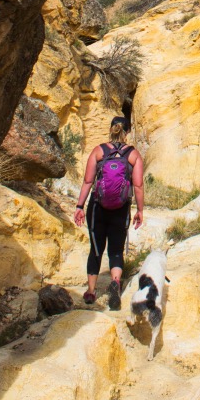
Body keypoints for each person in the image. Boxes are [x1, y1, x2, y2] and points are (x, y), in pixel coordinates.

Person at [73, 115, 144, 309]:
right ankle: (115, 282)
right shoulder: (133, 154)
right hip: (121, 209)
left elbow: (88, 181)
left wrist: (79, 207)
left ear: (111, 129)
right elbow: (138, 185)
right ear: (127, 131)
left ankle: (91, 291)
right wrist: (139, 210)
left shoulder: (99, 151)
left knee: (96, 249)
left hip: (97, 207)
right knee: (116, 249)